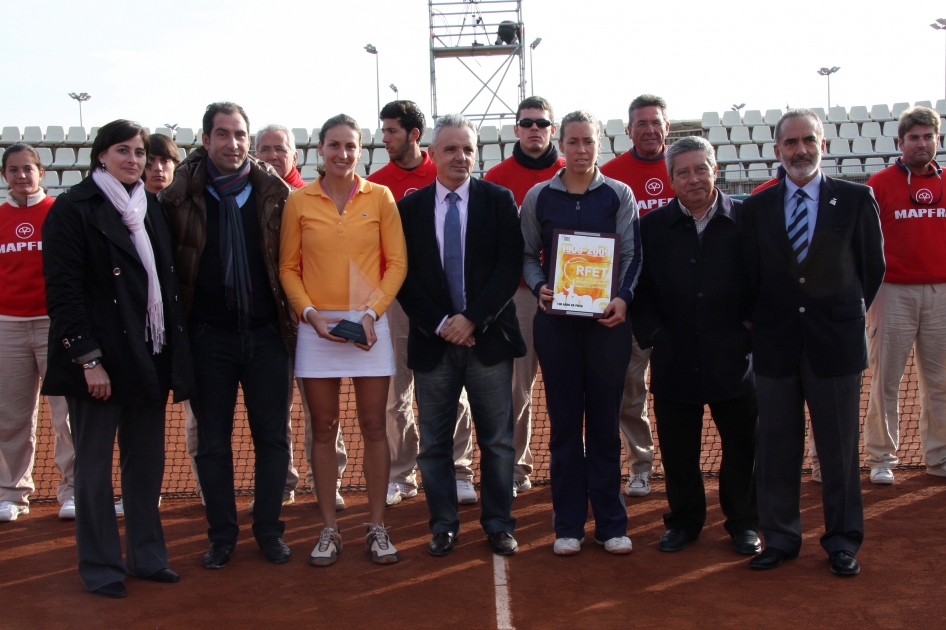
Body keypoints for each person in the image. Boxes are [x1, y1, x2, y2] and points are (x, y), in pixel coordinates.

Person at [42, 120, 194, 597]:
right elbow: (63, 294)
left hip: (147, 355)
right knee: (92, 471)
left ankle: (147, 558)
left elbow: (164, 288)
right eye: (122, 151)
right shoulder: (72, 209)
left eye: (140, 152)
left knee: (146, 467)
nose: (133, 159)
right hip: (99, 364)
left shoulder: (150, 206)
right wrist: (89, 360)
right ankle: (101, 567)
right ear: (101, 155)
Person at [741, 109, 885, 576]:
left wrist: (841, 312)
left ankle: (842, 541)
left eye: (808, 140)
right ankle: (780, 538)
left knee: (839, 450)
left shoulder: (857, 199)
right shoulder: (756, 206)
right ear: (777, 149)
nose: (800, 150)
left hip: (835, 344)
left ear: (822, 144)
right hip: (775, 344)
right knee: (777, 446)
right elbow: (748, 275)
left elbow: (871, 268)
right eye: (790, 143)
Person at [159, 102, 295, 570]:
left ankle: (268, 530)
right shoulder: (177, 197)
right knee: (213, 443)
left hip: (265, 336)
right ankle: (221, 536)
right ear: (206, 140)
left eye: (239, 135)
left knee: (272, 439)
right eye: (222, 134)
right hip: (207, 337)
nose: (232, 144)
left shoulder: (276, 194)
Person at [280, 114, 406, 567]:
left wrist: (371, 314)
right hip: (316, 329)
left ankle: (377, 527)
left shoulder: (382, 197)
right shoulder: (299, 201)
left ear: (360, 150)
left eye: (350, 146)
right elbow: (287, 268)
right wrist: (310, 315)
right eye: (334, 145)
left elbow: (397, 264)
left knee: (374, 427)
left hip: (370, 326)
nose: (343, 154)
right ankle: (329, 529)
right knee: (324, 427)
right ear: (320, 150)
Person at [397, 114, 524, 558]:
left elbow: (509, 267)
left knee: (498, 441)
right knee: (434, 445)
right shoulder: (409, 208)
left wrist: (471, 319)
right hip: (434, 344)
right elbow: (404, 276)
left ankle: (498, 523)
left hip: (487, 340)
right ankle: (443, 525)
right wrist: (442, 324)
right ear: (433, 154)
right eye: (450, 149)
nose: (460, 156)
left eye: (467, 148)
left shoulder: (499, 199)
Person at [630, 136, 759, 555]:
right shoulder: (650, 228)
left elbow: (765, 279)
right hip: (674, 358)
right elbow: (639, 291)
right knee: (679, 451)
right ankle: (684, 521)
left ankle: (743, 523)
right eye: (683, 172)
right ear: (669, 180)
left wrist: (749, 328)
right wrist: (655, 335)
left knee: (742, 447)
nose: (693, 179)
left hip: (734, 358)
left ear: (715, 169)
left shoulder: (747, 219)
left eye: (701, 168)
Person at [521, 110, 640, 556]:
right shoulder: (539, 196)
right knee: (566, 426)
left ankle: (611, 524)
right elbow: (526, 254)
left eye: (588, 141)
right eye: (572, 141)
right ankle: (568, 523)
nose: (581, 149)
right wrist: (539, 287)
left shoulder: (618, 195)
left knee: (606, 426)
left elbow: (631, 255)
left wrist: (623, 298)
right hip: (556, 327)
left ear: (599, 144)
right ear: (561, 145)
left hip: (607, 326)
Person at [366, 101, 474, 507]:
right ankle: (401, 474)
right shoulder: (376, 183)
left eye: (392, 130)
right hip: (395, 300)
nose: (385, 138)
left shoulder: (445, 170)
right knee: (398, 392)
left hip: (447, 303)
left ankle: (460, 469)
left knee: (456, 388)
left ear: (414, 134)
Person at [254, 123, 348, 512]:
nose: (272, 155)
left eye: (280, 148)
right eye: (264, 149)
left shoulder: (310, 197)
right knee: (278, 410)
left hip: (314, 321)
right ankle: (284, 481)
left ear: (296, 156)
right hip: (271, 323)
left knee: (322, 413)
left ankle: (329, 481)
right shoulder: (249, 196)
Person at [484, 96, 565, 498]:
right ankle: (517, 469)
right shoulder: (496, 177)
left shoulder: (573, 172)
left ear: (553, 130)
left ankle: (569, 464)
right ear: (516, 128)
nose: (535, 129)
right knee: (518, 388)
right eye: (527, 122)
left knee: (569, 383)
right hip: (518, 296)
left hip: (572, 294)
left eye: (542, 123)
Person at [864, 106, 946, 482]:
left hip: (941, 291)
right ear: (900, 143)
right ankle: (882, 458)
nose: (921, 143)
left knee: (940, 380)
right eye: (914, 137)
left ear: (938, 140)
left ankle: (940, 458)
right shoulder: (878, 184)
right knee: (885, 379)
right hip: (891, 291)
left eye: (928, 136)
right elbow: (863, 242)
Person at [600, 95, 674, 497]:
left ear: (667, 127)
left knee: (680, 389)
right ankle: (640, 466)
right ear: (628, 130)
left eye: (655, 122)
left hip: (680, 303)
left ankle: (683, 467)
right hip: (631, 303)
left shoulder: (685, 166)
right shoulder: (611, 175)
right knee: (630, 390)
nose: (649, 129)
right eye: (640, 123)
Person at [0, 144, 75, 523]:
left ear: (41, 172)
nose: (20, 176)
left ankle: (73, 490)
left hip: (54, 324)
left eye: (27, 169)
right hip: (8, 327)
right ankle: (12, 493)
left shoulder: (59, 213)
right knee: (12, 417)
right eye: (13, 170)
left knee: (67, 415)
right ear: (4, 175)